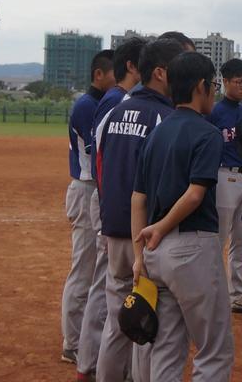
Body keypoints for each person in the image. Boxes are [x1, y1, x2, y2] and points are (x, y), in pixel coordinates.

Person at [132, 51, 234, 381]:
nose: (215, 91)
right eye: (214, 85)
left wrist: (139, 255)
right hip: (191, 248)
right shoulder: (207, 133)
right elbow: (194, 194)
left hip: (155, 253)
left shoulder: (156, 133)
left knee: (166, 346)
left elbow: (138, 198)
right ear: (201, 86)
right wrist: (161, 228)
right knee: (213, 349)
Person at [95, 38, 185, 382]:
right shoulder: (165, 117)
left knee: (117, 319)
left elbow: (100, 168)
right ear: (160, 73)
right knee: (148, 322)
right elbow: (164, 182)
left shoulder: (114, 111)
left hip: (114, 227)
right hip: (147, 234)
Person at [76, 37, 146, 380]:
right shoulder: (118, 100)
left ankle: (94, 363)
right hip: (112, 200)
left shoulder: (118, 99)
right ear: (132, 66)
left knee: (110, 286)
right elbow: (102, 158)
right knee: (106, 288)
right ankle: (89, 362)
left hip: (111, 200)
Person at [61, 49, 115, 365]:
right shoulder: (87, 106)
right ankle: (72, 342)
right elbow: (99, 153)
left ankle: (84, 338)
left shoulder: (99, 104)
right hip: (86, 188)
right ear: (99, 75)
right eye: (114, 74)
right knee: (83, 268)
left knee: (94, 269)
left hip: (93, 189)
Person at [207, 58, 242, 315]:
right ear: (225, 82)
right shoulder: (214, 112)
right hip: (223, 176)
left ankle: (239, 297)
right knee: (218, 239)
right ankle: (213, 295)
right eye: (238, 82)